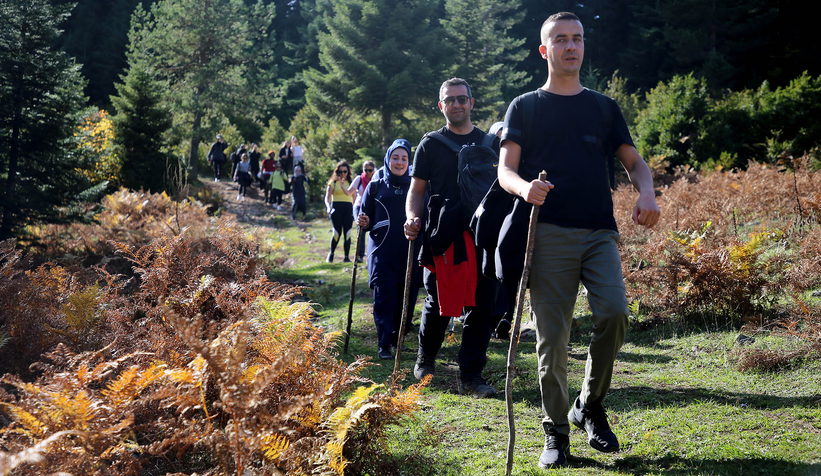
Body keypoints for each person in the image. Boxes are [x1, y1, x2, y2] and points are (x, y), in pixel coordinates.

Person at [496, 12, 660, 468]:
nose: (571, 46)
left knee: (615, 313)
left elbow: (634, 163)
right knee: (552, 341)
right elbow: (505, 169)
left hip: (599, 232)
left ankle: (588, 404)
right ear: (544, 50)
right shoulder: (524, 107)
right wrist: (524, 188)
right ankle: (556, 432)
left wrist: (647, 192)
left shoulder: (604, 108)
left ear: (584, 46)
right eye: (561, 39)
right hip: (547, 233)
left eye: (577, 38)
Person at [404, 77, 500, 399]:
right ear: (441, 105)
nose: (456, 104)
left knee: (482, 305)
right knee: (438, 300)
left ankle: (472, 375)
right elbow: (417, 190)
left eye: (461, 99)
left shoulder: (490, 144)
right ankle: (426, 358)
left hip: (483, 236)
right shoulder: (430, 144)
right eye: (450, 100)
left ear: (471, 102)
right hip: (443, 236)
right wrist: (411, 217)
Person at [356, 141, 422, 360]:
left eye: (404, 158)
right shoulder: (375, 186)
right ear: (388, 159)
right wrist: (364, 222)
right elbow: (365, 218)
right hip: (382, 253)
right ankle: (383, 342)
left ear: (409, 162)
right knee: (384, 297)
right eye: (395, 158)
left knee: (406, 300)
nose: (399, 163)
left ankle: (396, 337)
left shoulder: (417, 187)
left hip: (410, 253)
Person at [324, 161, 356, 262]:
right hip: (336, 209)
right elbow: (327, 197)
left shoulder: (351, 183)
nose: (342, 173)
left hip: (348, 209)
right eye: (340, 171)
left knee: (348, 233)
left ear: (348, 172)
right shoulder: (333, 182)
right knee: (336, 233)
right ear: (337, 172)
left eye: (345, 171)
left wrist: (356, 211)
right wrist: (328, 207)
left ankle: (346, 257)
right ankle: (331, 254)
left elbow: (354, 198)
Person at [349, 160, 376, 262]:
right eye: (366, 170)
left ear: (373, 170)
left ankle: (371, 253)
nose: (368, 172)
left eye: (370, 170)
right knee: (361, 227)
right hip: (359, 206)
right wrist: (340, 185)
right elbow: (349, 192)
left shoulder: (376, 178)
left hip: (371, 207)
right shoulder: (359, 179)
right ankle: (359, 255)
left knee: (373, 229)